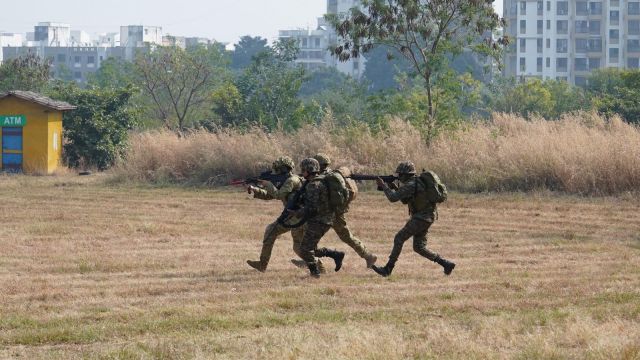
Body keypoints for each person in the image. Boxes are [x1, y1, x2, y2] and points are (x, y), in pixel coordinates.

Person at [292, 153, 377, 269]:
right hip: (336, 212)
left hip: (323, 215)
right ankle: (368, 256)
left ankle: (312, 262)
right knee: (346, 236)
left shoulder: (321, 179)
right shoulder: (333, 176)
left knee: (305, 238)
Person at [371, 161, 455, 277]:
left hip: (421, 218)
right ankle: (446, 264)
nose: (399, 177)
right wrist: (393, 186)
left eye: (400, 175)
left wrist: (383, 185)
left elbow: (392, 198)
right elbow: (405, 200)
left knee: (399, 238)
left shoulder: (410, 185)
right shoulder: (415, 183)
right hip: (426, 217)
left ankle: (388, 269)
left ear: (406, 175)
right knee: (419, 247)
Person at [245, 156, 308, 272]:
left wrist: (268, 184)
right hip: (297, 216)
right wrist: (255, 189)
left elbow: (278, 195)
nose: (275, 172)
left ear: (282, 169)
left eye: (277, 170)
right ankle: (317, 265)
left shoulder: (291, 180)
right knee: (298, 247)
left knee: (271, 230)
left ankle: (262, 264)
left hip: (296, 216)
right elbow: (271, 195)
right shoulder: (288, 180)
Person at [292, 158, 345, 278]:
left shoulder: (313, 185)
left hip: (319, 221)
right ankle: (336, 255)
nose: (302, 172)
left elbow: (312, 208)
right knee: (310, 249)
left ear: (309, 170)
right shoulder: (319, 181)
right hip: (323, 220)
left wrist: (297, 212)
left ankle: (315, 273)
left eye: (303, 170)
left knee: (305, 249)